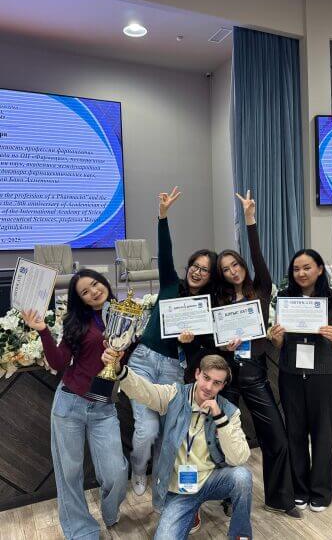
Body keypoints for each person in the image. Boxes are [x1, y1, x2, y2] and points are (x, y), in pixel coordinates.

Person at [128, 185, 217, 523]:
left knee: (167, 436)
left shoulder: (205, 307)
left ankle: (161, 493)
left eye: (204, 269)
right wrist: (163, 216)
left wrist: (190, 341)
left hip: (172, 369)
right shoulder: (169, 283)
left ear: (210, 277)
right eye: (195, 265)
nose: (197, 271)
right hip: (143, 360)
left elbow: (201, 349)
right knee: (146, 431)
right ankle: (139, 469)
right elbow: (165, 251)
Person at [22, 269, 128, 540]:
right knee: (69, 474)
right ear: (80, 299)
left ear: (104, 283)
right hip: (70, 403)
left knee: (116, 472)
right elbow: (58, 362)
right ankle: (81, 531)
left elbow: (128, 363)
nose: (93, 292)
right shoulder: (77, 323)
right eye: (85, 292)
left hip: (104, 407)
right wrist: (43, 331)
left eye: (95, 284)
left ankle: (110, 511)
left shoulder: (126, 317)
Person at [102, 350, 253, 540]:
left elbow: (239, 458)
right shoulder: (175, 394)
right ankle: (191, 510)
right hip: (181, 490)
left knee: (242, 476)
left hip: (210, 480)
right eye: (206, 378)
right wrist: (119, 370)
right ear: (197, 373)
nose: (208, 387)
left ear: (223, 385)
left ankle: (240, 536)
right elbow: (144, 391)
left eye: (216, 383)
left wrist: (219, 418)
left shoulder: (229, 411)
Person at [215, 190, 301, 519]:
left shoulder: (260, 288)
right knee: (225, 439)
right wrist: (223, 346)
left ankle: (280, 498)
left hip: (254, 373)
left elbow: (258, 255)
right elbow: (213, 339)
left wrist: (250, 219)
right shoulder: (218, 301)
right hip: (226, 377)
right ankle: (228, 496)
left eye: (236, 265)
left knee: (275, 436)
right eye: (226, 269)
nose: (233, 271)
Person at [269, 249, 332, 512]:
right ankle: (300, 489)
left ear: (319, 269)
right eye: (296, 269)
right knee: (294, 433)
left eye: (307, 267)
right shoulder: (285, 299)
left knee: (324, 435)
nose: (301, 273)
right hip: (291, 376)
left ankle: (321, 492)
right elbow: (280, 344)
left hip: (324, 378)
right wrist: (276, 338)